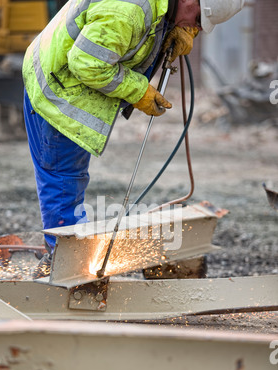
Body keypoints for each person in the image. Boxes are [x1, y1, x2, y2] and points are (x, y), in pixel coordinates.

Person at [22, 0, 245, 279]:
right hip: (58, 90)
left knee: (70, 177)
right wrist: (139, 92)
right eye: (198, 19)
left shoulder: (164, 8)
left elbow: (138, 36)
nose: (196, 27)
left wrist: (173, 30)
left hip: (66, 77)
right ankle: (64, 267)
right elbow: (87, 63)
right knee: (62, 178)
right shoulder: (128, 9)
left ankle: (64, 257)